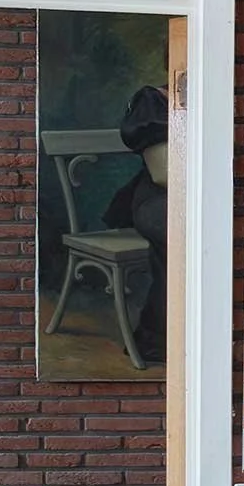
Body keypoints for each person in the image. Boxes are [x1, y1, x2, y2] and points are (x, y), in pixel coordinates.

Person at [105, 82, 169, 365]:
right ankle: (158, 339)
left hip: (195, 199)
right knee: (191, 238)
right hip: (158, 199)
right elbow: (163, 174)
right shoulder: (154, 99)